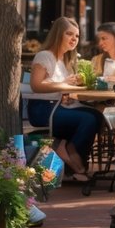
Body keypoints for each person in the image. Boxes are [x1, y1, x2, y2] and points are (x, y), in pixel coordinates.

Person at [23, 16, 102, 182]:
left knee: (96, 115)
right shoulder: (44, 56)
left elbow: (60, 87)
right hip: (43, 110)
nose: (74, 39)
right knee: (88, 119)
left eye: (77, 36)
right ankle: (74, 161)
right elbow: (37, 85)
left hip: (58, 107)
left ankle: (68, 153)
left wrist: (69, 89)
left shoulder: (64, 60)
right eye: (69, 34)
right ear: (58, 34)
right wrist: (65, 85)